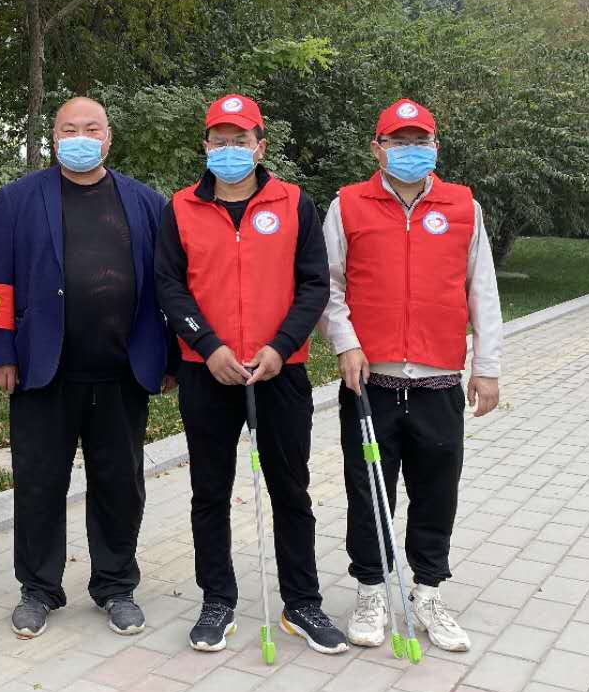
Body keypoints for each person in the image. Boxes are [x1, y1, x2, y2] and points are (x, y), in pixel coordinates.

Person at [155, 93, 348, 656]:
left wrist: (281, 346)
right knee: (209, 491)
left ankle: (302, 602)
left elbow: (314, 284)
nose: (230, 149)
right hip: (206, 371)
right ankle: (217, 599)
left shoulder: (294, 203)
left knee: (291, 489)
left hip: (278, 371)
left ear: (260, 146)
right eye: (220, 140)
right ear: (205, 146)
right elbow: (170, 286)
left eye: (240, 139)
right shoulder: (181, 207)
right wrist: (206, 344)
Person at [0, 96, 174, 639]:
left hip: (122, 370)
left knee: (120, 485)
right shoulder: (18, 199)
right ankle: (38, 588)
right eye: (69, 129)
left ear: (108, 138)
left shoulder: (146, 202)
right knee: (39, 484)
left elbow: (166, 287)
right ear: (53, 138)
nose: (80, 138)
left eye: (91, 129)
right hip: (43, 370)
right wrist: (0, 352)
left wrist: (170, 358)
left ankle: (116, 585)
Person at [320, 98, 503, 653]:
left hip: (438, 380)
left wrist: (487, 368)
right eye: (397, 143)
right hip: (369, 382)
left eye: (419, 142)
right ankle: (371, 590)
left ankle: (428, 591)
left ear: (435, 147)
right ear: (376, 149)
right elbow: (328, 286)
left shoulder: (463, 206)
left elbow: (482, 289)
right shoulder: (347, 206)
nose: (409, 151)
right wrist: (346, 344)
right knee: (368, 491)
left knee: (436, 491)